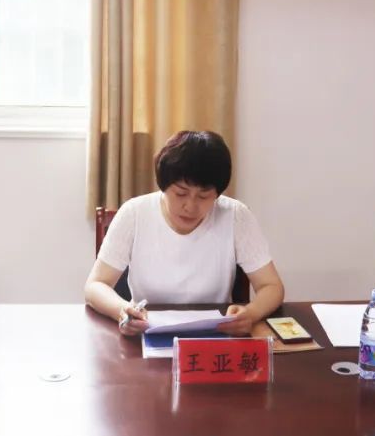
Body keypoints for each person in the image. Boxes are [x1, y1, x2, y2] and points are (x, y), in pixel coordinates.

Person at [85, 130, 285, 336]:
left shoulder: (235, 215)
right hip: (146, 333)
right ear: (163, 185)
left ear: (218, 193)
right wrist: (122, 310)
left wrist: (250, 314)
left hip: (214, 336)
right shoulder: (134, 214)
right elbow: (95, 285)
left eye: (203, 196)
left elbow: (271, 286)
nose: (190, 206)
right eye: (181, 193)